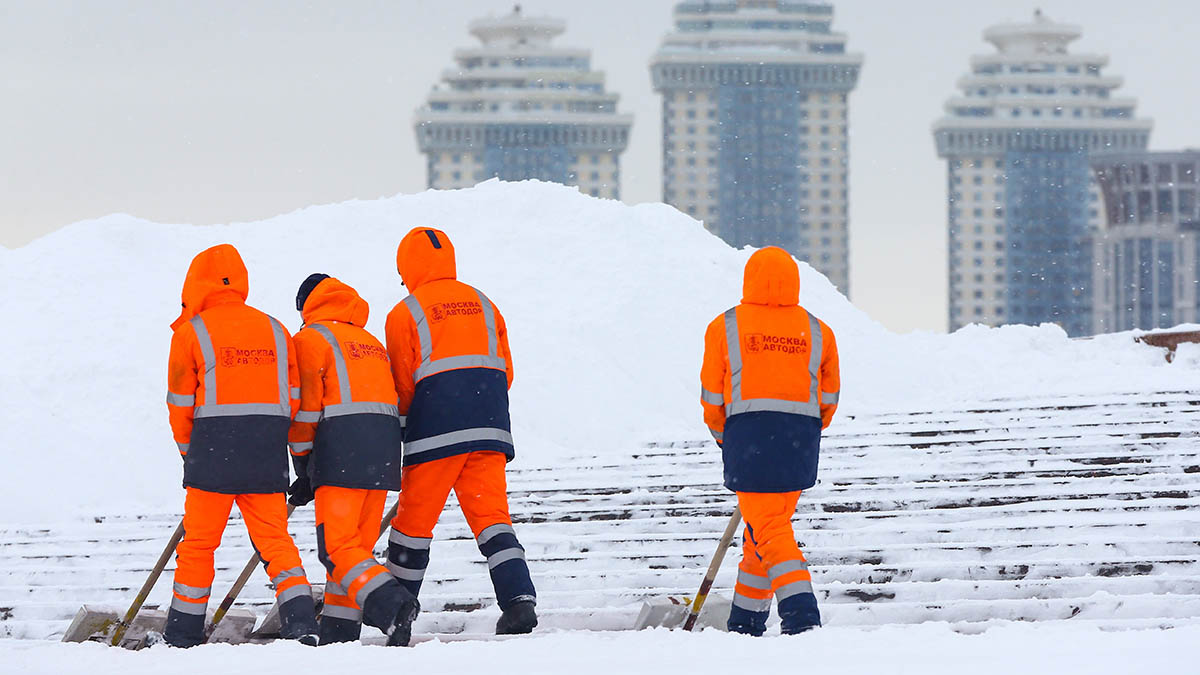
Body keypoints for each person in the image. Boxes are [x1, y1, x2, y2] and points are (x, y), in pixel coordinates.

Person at [383, 227, 538, 635]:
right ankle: (519, 600)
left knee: (413, 527)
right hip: (489, 428)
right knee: (492, 519)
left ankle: (399, 616)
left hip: (435, 433)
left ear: (408, 268)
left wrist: (401, 432)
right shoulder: (484, 303)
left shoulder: (406, 312)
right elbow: (506, 370)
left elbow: (401, 385)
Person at [164, 244, 319, 647]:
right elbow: (295, 395)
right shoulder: (275, 330)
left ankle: (183, 632)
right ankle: (302, 622)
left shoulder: (191, 332)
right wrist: (275, 438)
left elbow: (180, 404)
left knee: (199, 544)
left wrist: (190, 454)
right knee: (275, 541)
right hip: (265, 452)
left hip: (211, 452)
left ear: (196, 283)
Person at [699, 246, 841, 636]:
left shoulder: (725, 326)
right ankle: (745, 621)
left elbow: (713, 397)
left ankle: (801, 613)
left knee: (771, 532)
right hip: (799, 446)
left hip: (748, 441)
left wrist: (725, 439)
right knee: (760, 534)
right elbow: (828, 397)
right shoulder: (817, 330)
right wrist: (807, 431)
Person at [286, 273, 419, 646]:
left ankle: (392, 604)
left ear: (306, 305)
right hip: (382, 452)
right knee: (353, 553)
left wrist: (303, 465)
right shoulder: (369, 341)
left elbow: (306, 411)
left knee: (336, 548)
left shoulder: (311, 339)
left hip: (342, 450)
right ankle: (340, 635)